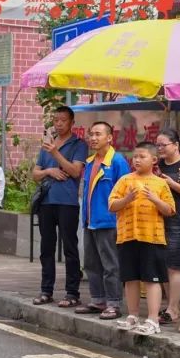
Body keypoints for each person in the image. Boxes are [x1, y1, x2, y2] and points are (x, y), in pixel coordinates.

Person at [108, 142, 175, 335]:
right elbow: (112, 205)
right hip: (127, 237)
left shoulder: (161, 183)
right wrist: (127, 199)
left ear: (154, 160)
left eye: (142, 156)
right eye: (135, 156)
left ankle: (153, 319)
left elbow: (170, 210)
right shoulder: (124, 180)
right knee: (130, 278)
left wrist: (154, 199)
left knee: (152, 279)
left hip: (152, 238)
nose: (137, 160)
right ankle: (133, 315)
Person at [32, 105, 88, 307]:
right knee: (46, 247)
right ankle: (46, 290)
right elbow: (35, 173)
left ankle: (72, 293)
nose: (58, 124)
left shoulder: (79, 144)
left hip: (67, 202)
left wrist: (56, 154)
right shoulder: (47, 144)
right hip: (47, 201)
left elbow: (74, 171)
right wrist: (50, 171)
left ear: (72, 122)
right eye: (56, 120)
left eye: (63, 120)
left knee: (70, 248)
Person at [74, 122, 130, 319]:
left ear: (109, 138)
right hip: (90, 220)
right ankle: (98, 300)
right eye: (91, 134)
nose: (93, 138)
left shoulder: (117, 161)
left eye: (98, 134)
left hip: (109, 221)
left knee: (110, 264)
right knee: (91, 263)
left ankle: (114, 303)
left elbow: (125, 191)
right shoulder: (90, 162)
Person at [156, 129, 180, 326]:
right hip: (158, 219)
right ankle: (169, 307)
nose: (160, 149)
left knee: (174, 267)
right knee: (162, 266)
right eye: (158, 145)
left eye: (163, 145)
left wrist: (172, 184)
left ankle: (173, 309)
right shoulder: (159, 165)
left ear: (176, 145)